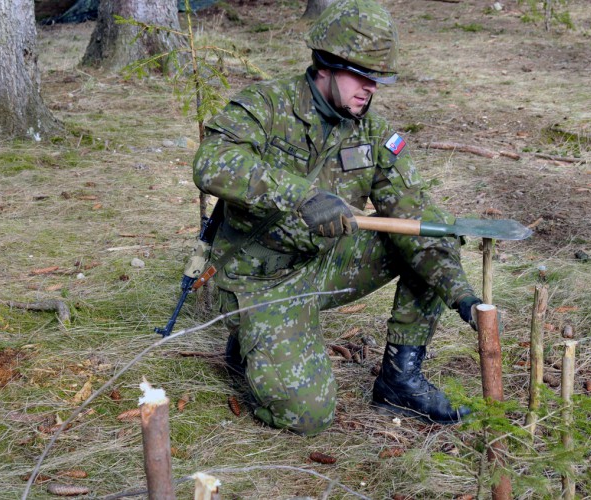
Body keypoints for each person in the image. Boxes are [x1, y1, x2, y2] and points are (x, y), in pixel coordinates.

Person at [192, 0, 483, 436]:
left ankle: (399, 380)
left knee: (432, 234)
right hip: (261, 281)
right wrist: (300, 194)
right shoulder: (268, 105)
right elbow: (211, 163)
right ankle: (248, 343)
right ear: (325, 64)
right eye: (361, 76)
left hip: (324, 263)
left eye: (378, 79)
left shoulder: (373, 132)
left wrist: (462, 296)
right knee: (308, 417)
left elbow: (414, 213)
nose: (370, 89)